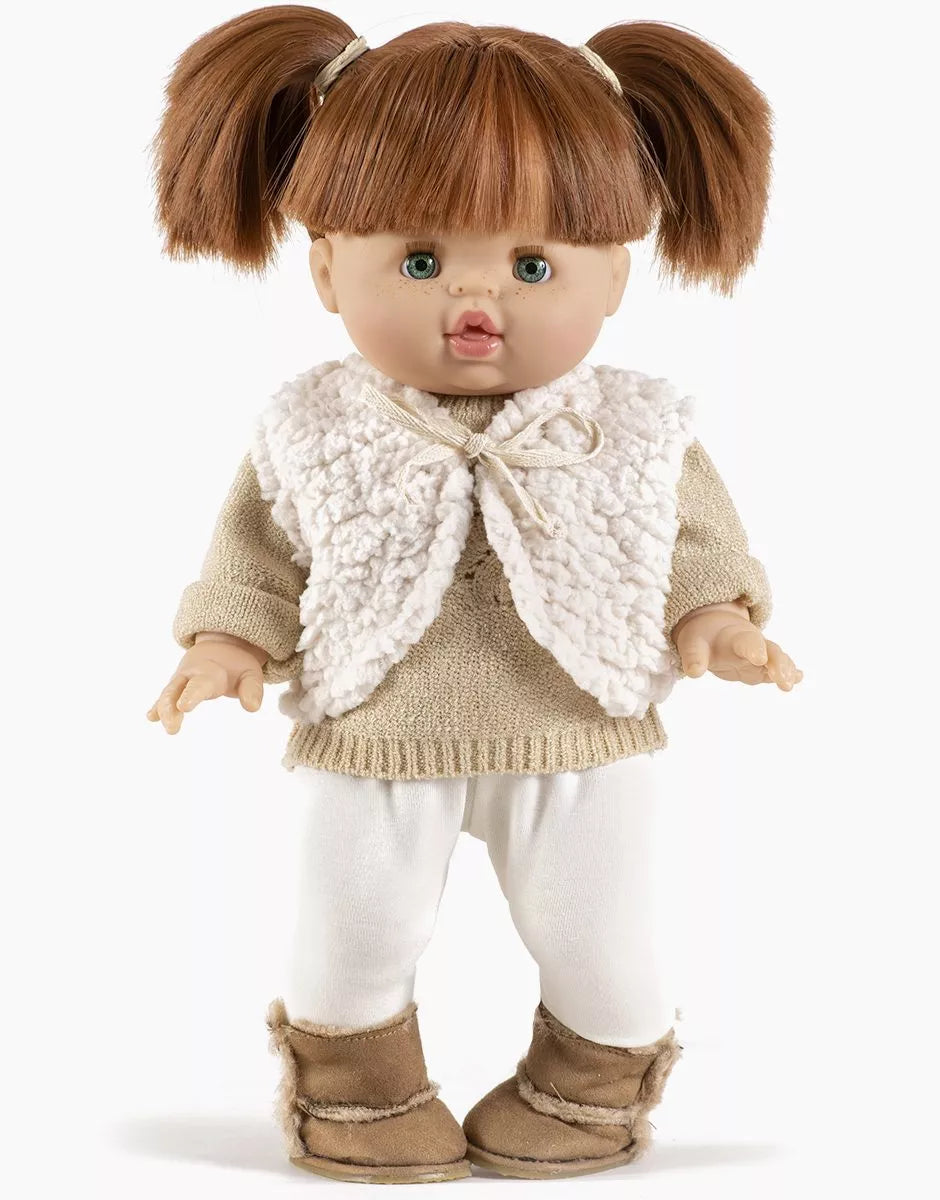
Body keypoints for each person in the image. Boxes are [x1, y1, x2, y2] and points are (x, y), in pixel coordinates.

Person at [147, 7, 802, 1183]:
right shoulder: (314, 427)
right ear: (325, 268)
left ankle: (589, 1085)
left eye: (532, 266)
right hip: (374, 733)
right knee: (351, 929)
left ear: (614, 277)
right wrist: (226, 641)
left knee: (602, 937)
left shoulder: (635, 428)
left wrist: (716, 618)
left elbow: (693, 540)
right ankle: (357, 1092)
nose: (474, 301)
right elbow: (256, 553)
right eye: (418, 261)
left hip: (579, 731)